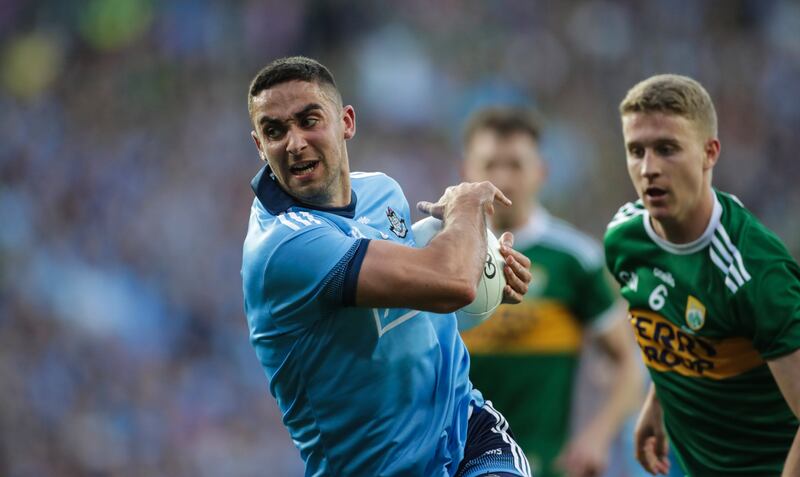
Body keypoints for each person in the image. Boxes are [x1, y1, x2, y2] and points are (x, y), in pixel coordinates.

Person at [241, 56, 535, 477]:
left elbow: (418, 304)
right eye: (275, 131)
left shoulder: (381, 191)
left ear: (346, 122)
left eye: (309, 120)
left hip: (467, 433)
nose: (294, 142)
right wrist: (466, 204)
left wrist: (484, 272)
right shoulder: (284, 247)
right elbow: (449, 281)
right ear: (259, 146)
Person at [605, 74, 800, 476]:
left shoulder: (757, 273)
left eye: (666, 149)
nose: (648, 168)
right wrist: (657, 402)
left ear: (709, 153)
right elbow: (682, 327)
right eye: (636, 150)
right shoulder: (622, 239)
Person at [460, 107, 642, 477]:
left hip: (541, 464)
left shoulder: (574, 260)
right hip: (451, 462)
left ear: (541, 171)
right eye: (490, 164)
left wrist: (597, 436)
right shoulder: (440, 253)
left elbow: (627, 364)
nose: (502, 178)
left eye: (515, 165)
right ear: (467, 170)